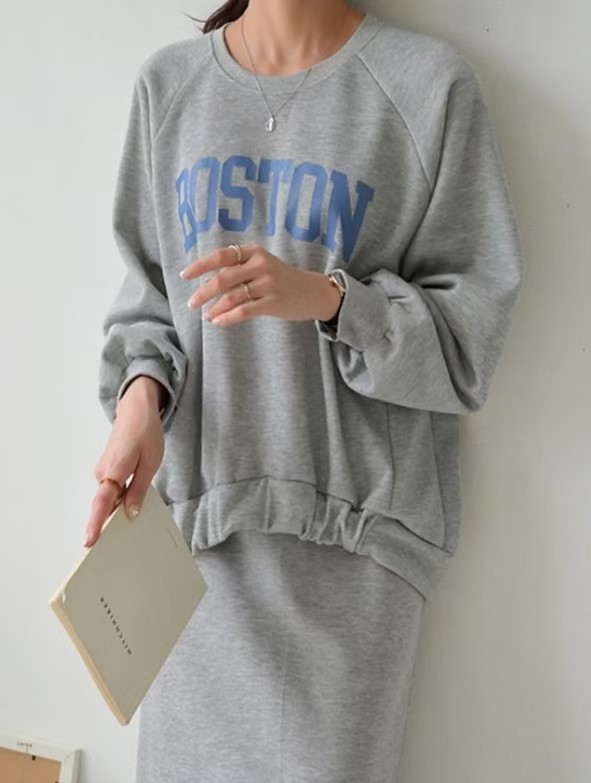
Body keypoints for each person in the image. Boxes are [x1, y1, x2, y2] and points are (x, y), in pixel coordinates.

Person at [86, 0, 524, 780]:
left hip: (352, 553)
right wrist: (139, 399)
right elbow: (149, 299)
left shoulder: (426, 86)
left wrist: (330, 300)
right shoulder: (170, 86)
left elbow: (466, 343)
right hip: (194, 547)